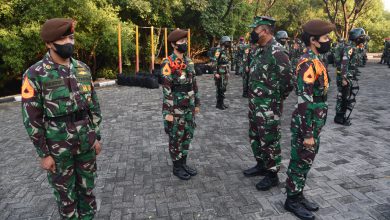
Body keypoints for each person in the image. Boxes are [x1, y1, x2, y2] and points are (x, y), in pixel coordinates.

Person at [21, 18, 102, 219]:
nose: (68, 43)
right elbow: (31, 119)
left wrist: (96, 137)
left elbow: (94, 106)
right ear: (49, 43)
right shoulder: (35, 74)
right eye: (62, 39)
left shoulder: (83, 69)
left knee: (87, 192)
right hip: (58, 150)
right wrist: (44, 154)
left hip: (85, 144)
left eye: (71, 37)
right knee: (66, 200)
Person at [284, 19, 335, 220]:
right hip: (307, 122)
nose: (328, 41)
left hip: (315, 121)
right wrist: (307, 133)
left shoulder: (316, 59)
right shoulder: (307, 64)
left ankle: (299, 194)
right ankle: (291, 200)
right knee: (299, 161)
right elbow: (304, 101)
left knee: (306, 161)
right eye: (325, 38)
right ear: (314, 40)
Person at [243, 16, 294, 191]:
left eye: (255, 30)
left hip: (269, 107)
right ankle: (261, 165)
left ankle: (272, 175)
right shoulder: (259, 50)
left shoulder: (278, 52)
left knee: (269, 140)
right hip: (255, 104)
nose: (252, 33)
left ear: (264, 31)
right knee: (255, 136)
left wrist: (275, 99)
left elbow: (288, 82)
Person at [161, 29, 200, 180]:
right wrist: (168, 112)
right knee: (176, 136)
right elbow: (166, 89)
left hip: (189, 105)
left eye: (185, 41)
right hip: (176, 107)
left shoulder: (189, 61)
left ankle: (183, 162)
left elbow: (194, 84)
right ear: (173, 44)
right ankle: (177, 167)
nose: (184, 44)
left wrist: (197, 103)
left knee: (187, 134)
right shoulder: (168, 62)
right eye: (181, 42)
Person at [334, 28, 366, 126]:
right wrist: (344, 78)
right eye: (361, 37)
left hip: (347, 76)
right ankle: (339, 117)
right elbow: (345, 62)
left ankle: (340, 116)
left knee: (345, 96)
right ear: (356, 38)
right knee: (343, 96)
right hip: (344, 76)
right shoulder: (349, 48)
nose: (363, 39)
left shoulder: (352, 47)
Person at [213, 36, 232, 110]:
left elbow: (227, 62)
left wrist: (228, 72)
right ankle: (219, 104)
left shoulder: (226, 51)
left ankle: (222, 103)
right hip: (220, 73)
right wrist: (215, 73)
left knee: (223, 87)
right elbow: (214, 61)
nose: (228, 43)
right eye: (227, 42)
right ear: (223, 42)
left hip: (225, 72)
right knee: (220, 88)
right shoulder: (218, 50)